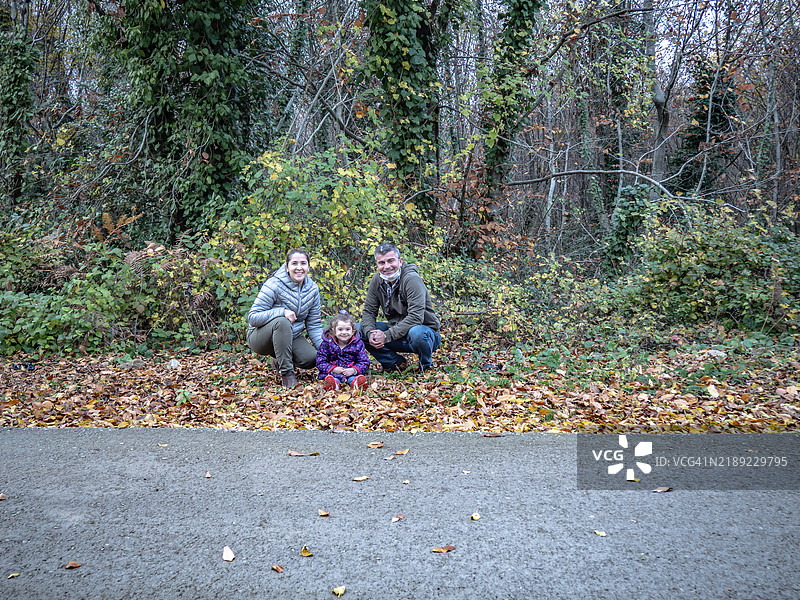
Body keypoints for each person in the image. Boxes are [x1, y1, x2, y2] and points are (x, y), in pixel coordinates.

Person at [360, 242, 441, 373]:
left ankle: (426, 366)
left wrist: (386, 336)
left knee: (417, 332)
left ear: (400, 261)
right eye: (381, 263)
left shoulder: (411, 279)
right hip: (397, 331)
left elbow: (416, 317)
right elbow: (369, 312)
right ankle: (394, 363)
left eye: (391, 261)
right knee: (359, 329)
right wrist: (370, 333)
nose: (387, 266)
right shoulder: (376, 280)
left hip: (425, 333)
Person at [247, 248, 323, 388]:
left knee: (312, 359)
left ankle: (279, 359)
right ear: (287, 267)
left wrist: (327, 351)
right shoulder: (274, 284)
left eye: (303, 263)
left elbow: (314, 325)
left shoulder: (312, 289)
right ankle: (287, 374)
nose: (299, 267)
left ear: (308, 267)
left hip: (291, 336)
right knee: (282, 322)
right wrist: (281, 312)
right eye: (294, 263)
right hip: (260, 337)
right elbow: (253, 317)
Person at [316, 311, 370, 391]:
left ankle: (357, 384)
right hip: (333, 373)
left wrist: (354, 370)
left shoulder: (357, 344)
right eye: (340, 329)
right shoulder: (327, 343)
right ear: (334, 331)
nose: (344, 332)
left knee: (354, 379)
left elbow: (364, 361)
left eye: (348, 329)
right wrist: (333, 369)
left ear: (353, 331)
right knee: (331, 379)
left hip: (351, 372)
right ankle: (333, 386)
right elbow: (320, 361)